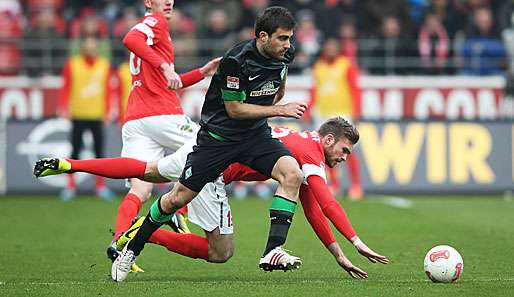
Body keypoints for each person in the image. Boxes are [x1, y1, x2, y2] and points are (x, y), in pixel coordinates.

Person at [34, 117, 389, 278]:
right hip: (215, 170)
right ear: (329, 140)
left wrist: (337, 253)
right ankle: (149, 234)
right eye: (344, 149)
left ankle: (71, 164)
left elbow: (311, 207)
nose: (344, 157)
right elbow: (327, 204)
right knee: (221, 252)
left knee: (148, 169)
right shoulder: (311, 154)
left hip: (202, 147)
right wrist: (356, 242)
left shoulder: (302, 144)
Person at [114, 6, 307, 282]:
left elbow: (278, 88)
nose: (288, 45)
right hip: (218, 140)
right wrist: (280, 110)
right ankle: (132, 248)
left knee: (293, 174)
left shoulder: (284, 56)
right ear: (263, 36)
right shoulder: (235, 61)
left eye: (290, 38)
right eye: (282, 38)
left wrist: (274, 105)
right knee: (175, 199)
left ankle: (272, 250)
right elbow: (235, 110)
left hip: (254, 137)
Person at [110, 0, 221, 267]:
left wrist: (202, 73)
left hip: (136, 120)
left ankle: (119, 243)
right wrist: (164, 66)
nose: (169, 1)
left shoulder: (155, 30)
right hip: (162, 114)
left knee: (141, 188)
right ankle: (175, 210)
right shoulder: (155, 22)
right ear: (148, 2)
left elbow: (173, 82)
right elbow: (130, 38)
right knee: (211, 149)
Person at [57, 36, 115, 201]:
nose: (91, 48)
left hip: (97, 115)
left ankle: (100, 187)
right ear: (83, 48)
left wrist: (108, 111)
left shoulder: (105, 66)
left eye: (93, 45)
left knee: (99, 153)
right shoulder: (72, 64)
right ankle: (70, 186)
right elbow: (65, 87)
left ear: (97, 47)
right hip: (78, 114)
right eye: (88, 45)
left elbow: (108, 90)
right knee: (74, 151)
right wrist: (63, 107)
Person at [311, 37, 363, 200]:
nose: (331, 50)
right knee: (327, 152)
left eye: (334, 47)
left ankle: (356, 185)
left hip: (343, 114)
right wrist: (310, 107)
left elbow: (355, 88)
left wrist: (357, 110)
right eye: (328, 46)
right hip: (323, 115)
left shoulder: (346, 65)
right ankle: (335, 185)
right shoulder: (318, 66)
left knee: (349, 150)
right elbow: (315, 89)